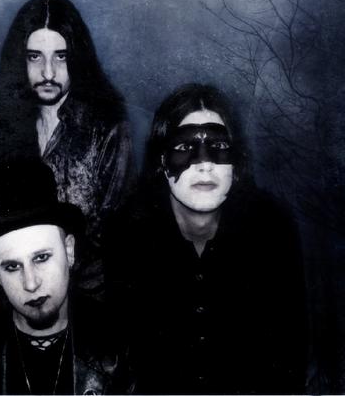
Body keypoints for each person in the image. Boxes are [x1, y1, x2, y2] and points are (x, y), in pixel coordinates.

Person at [105, 83, 308, 394]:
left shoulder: (271, 230)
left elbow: (289, 356)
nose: (204, 163)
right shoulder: (127, 234)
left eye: (218, 145)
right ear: (161, 161)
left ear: (236, 162)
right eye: (184, 147)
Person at [0, 0, 136, 299]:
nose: (48, 72)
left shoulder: (108, 127)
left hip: (92, 300)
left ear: (78, 58)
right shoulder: (1, 127)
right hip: (20, 294)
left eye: (61, 56)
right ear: (19, 60)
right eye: (35, 56)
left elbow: (116, 233)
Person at [0, 160, 134, 395]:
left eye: (41, 258)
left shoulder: (120, 338)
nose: (31, 283)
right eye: (12, 267)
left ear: (69, 251)